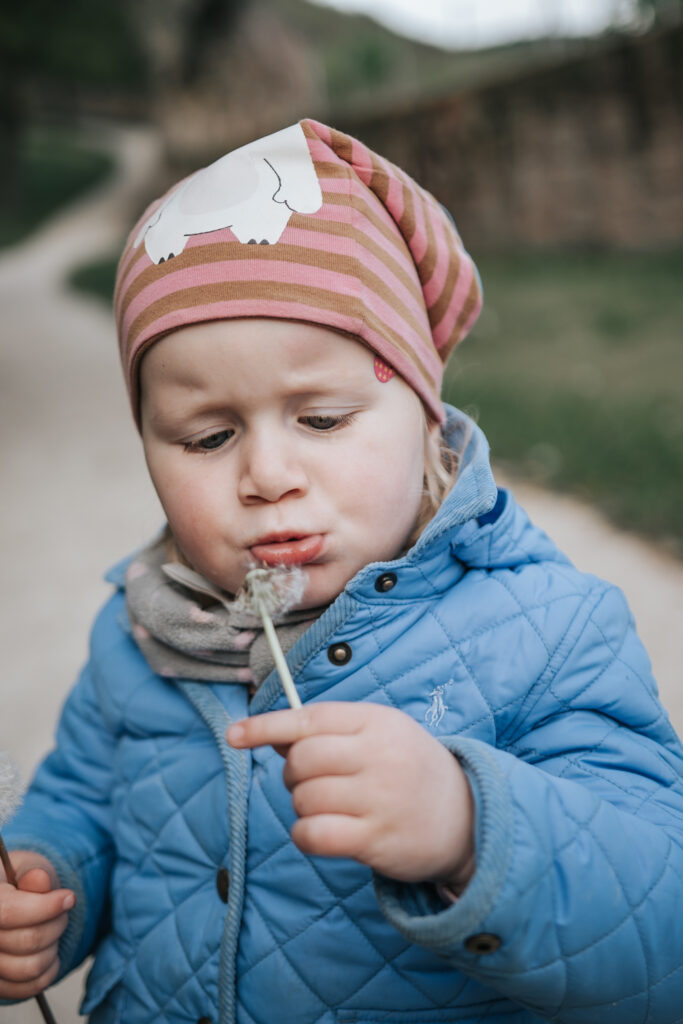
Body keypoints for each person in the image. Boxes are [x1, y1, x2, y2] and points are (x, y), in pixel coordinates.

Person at [1, 118, 683, 1024]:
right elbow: (82, 802)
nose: (269, 476)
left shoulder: (547, 631)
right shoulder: (138, 631)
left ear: (423, 414)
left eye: (321, 420)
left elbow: (659, 937)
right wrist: (50, 883)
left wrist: (466, 830)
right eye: (209, 436)